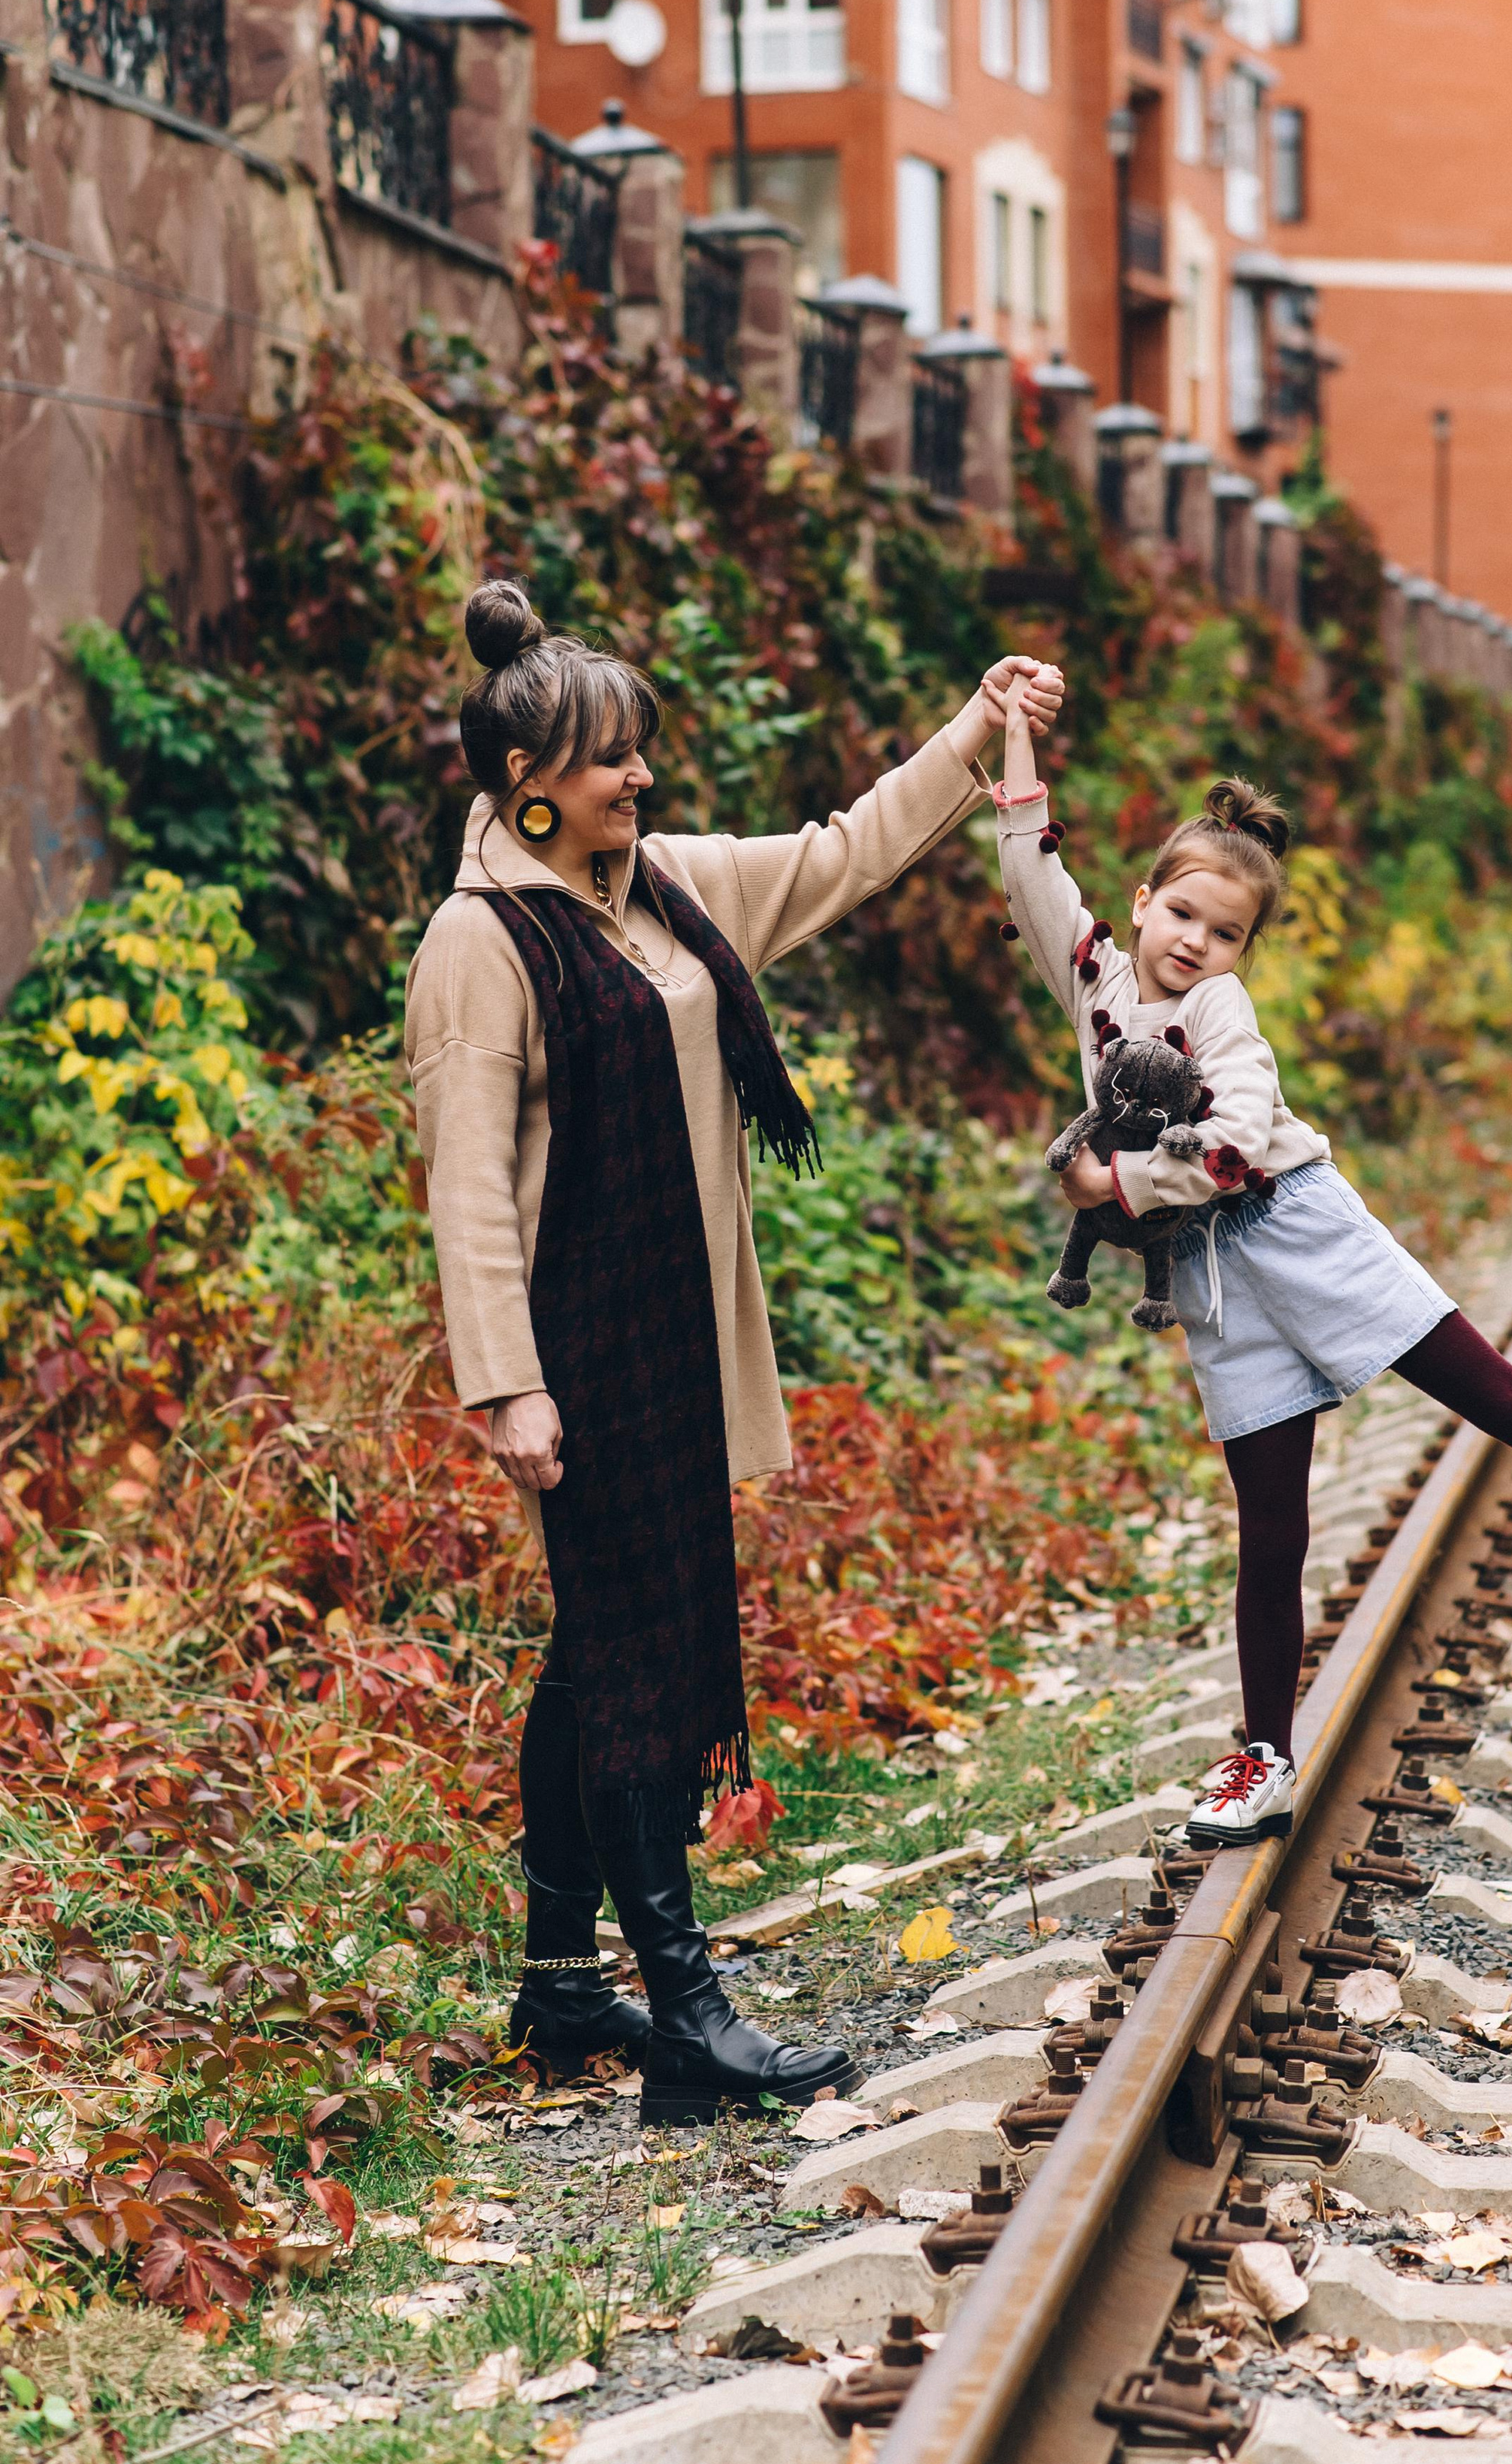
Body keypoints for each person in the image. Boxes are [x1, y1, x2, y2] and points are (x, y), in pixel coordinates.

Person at [405, 581, 1063, 2112]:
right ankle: (687, 2012)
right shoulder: (478, 945)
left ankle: (563, 1990)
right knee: (635, 1662)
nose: (643, 775)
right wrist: (505, 1382)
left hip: (673, 1345)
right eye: (614, 758)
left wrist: (974, 733)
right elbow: (466, 1185)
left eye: (641, 750)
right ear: (529, 790)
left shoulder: (665, 891)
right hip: (578, 1354)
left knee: (592, 1655)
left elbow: (841, 853)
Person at [993, 702, 1512, 1852]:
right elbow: (1026, 862)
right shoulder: (1096, 980)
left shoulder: (1220, 1011)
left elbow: (1235, 1144)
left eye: (1225, 929)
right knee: (1272, 1528)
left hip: (1298, 1228)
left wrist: (1114, 1187)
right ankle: (1264, 1758)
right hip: (1213, 1281)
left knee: (1496, 1397)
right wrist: (1011, 727)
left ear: (1242, 950)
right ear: (1144, 899)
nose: (1195, 941)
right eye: (1182, 912)